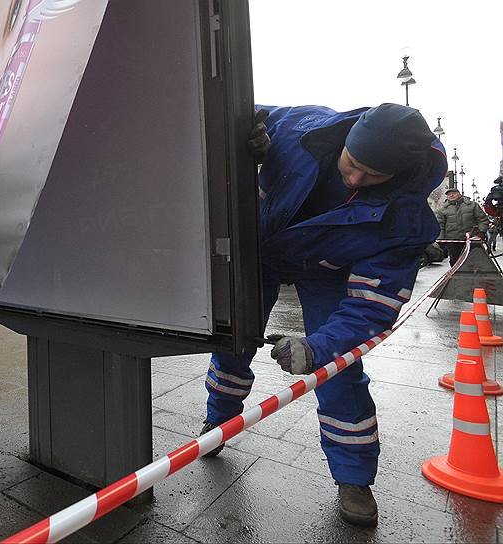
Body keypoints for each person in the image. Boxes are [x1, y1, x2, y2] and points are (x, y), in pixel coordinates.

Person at [200, 103, 446, 527]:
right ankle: (217, 423)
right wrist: (242, 134)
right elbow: (233, 104)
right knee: (232, 343)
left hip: (325, 270)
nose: (355, 179)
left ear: (399, 172)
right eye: (352, 163)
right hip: (258, 252)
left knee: (339, 370)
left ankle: (353, 478)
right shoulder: (300, 127)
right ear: (346, 139)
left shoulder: (405, 222)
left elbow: (372, 306)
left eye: (372, 175)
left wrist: (318, 348)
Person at [436, 187, 489, 265]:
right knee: (455, 262)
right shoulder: (443, 210)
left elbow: (482, 219)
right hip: (453, 241)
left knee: (473, 261)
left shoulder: (472, 205)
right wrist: (441, 239)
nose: (451, 195)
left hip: (471, 239)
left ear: (459, 194)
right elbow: (440, 225)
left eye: (453, 193)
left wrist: (482, 232)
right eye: (449, 194)